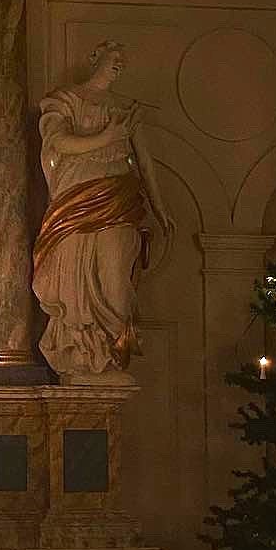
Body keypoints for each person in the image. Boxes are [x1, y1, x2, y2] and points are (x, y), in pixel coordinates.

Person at [31, 39, 174, 379]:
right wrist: (106, 138)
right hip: (74, 203)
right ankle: (82, 351)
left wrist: (160, 204)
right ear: (95, 57)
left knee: (114, 279)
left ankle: (112, 350)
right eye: (114, 57)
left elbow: (146, 162)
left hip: (119, 200)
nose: (119, 64)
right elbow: (57, 141)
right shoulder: (64, 99)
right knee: (72, 284)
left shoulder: (126, 108)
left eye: (123, 61)